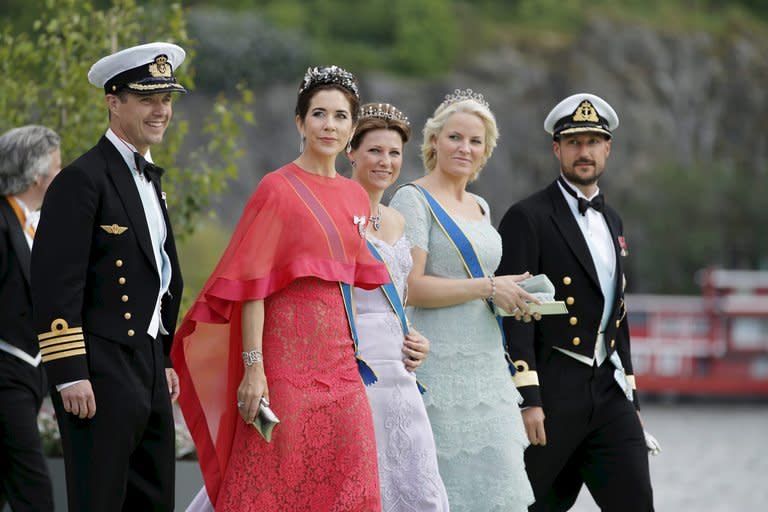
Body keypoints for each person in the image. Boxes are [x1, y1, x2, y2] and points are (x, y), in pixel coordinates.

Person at [172, 65, 390, 511]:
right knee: (279, 487)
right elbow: (253, 287)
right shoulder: (276, 188)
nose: (329, 125)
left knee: (354, 483)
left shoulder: (354, 196)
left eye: (341, 116)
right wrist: (254, 369)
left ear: (352, 128)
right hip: (284, 362)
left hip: (342, 364)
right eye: (319, 114)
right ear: (300, 122)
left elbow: (357, 285)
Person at [30, 42, 186, 511]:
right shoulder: (82, 179)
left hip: (148, 363)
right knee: (100, 500)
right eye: (147, 99)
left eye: (166, 99)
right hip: (99, 368)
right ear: (113, 102)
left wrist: (164, 357)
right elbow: (56, 284)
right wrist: (69, 373)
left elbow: (158, 276)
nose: (160, 110)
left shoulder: (150, 179)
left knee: (154, 499)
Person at [497, 93, 654, 511]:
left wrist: (633, 401)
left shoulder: (613, 220)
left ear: (607, 148)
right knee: (532, 506)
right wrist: (528, 398)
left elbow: (616, 316)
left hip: (609, 391)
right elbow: (514, 314)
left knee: (637, 502)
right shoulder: (526, 216)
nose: (583, 152)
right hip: (553, 390)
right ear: (557, 149)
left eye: (592, 142)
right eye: (573, 143)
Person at [389, 89, 536, 511]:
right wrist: (489, 287)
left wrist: (510, 296)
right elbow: (411, 287)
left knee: (498, 489)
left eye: (475, 141)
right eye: (455, 137)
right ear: (434, 140)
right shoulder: (411, 199)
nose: (464, 148)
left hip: (488, 367)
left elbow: (478, 287)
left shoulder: (481, 206)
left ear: (485, 150)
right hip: (438, 370)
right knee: (445, 489)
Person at [348, 102, 450, 511]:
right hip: (356, 368)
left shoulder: (397, 221)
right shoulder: (336, 213)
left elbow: (399, 302)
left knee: (416, 487)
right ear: (350, 151)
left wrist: (416, 337)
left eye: (393, 153)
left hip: (401, 370)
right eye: (374, 151)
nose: (385, 162)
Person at [0, 125, 60, 512]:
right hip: (5, 376)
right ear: (37, 176)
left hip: (26, 377)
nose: (63, 175)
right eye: (58, 168)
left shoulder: (34, 224)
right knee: (33, 492)